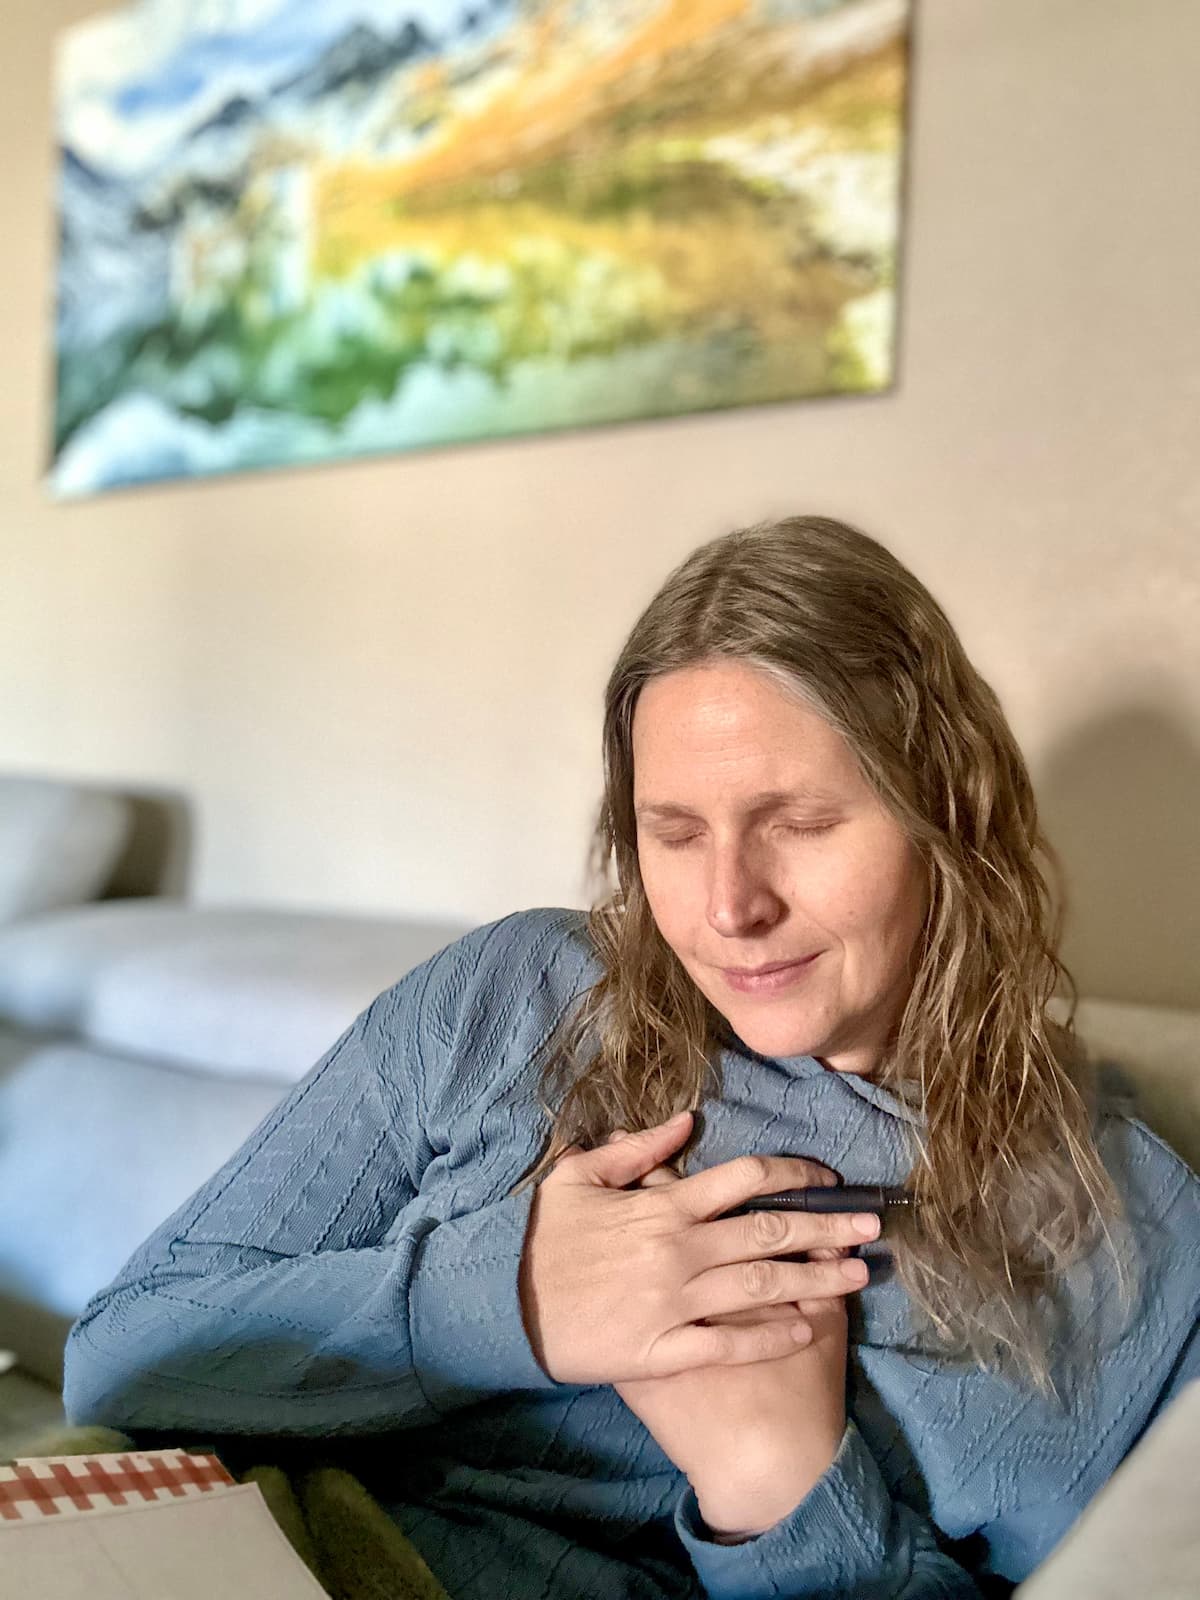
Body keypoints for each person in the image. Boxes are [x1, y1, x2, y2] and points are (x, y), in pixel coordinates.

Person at [63, 516, 1198, 1599]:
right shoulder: (518, 997)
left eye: (798, 822)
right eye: (676, 831)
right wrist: (511, 1296)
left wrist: (781, 1488)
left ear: (955, 808)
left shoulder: (1135, 1233)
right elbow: (118, 1361)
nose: (727, 907)